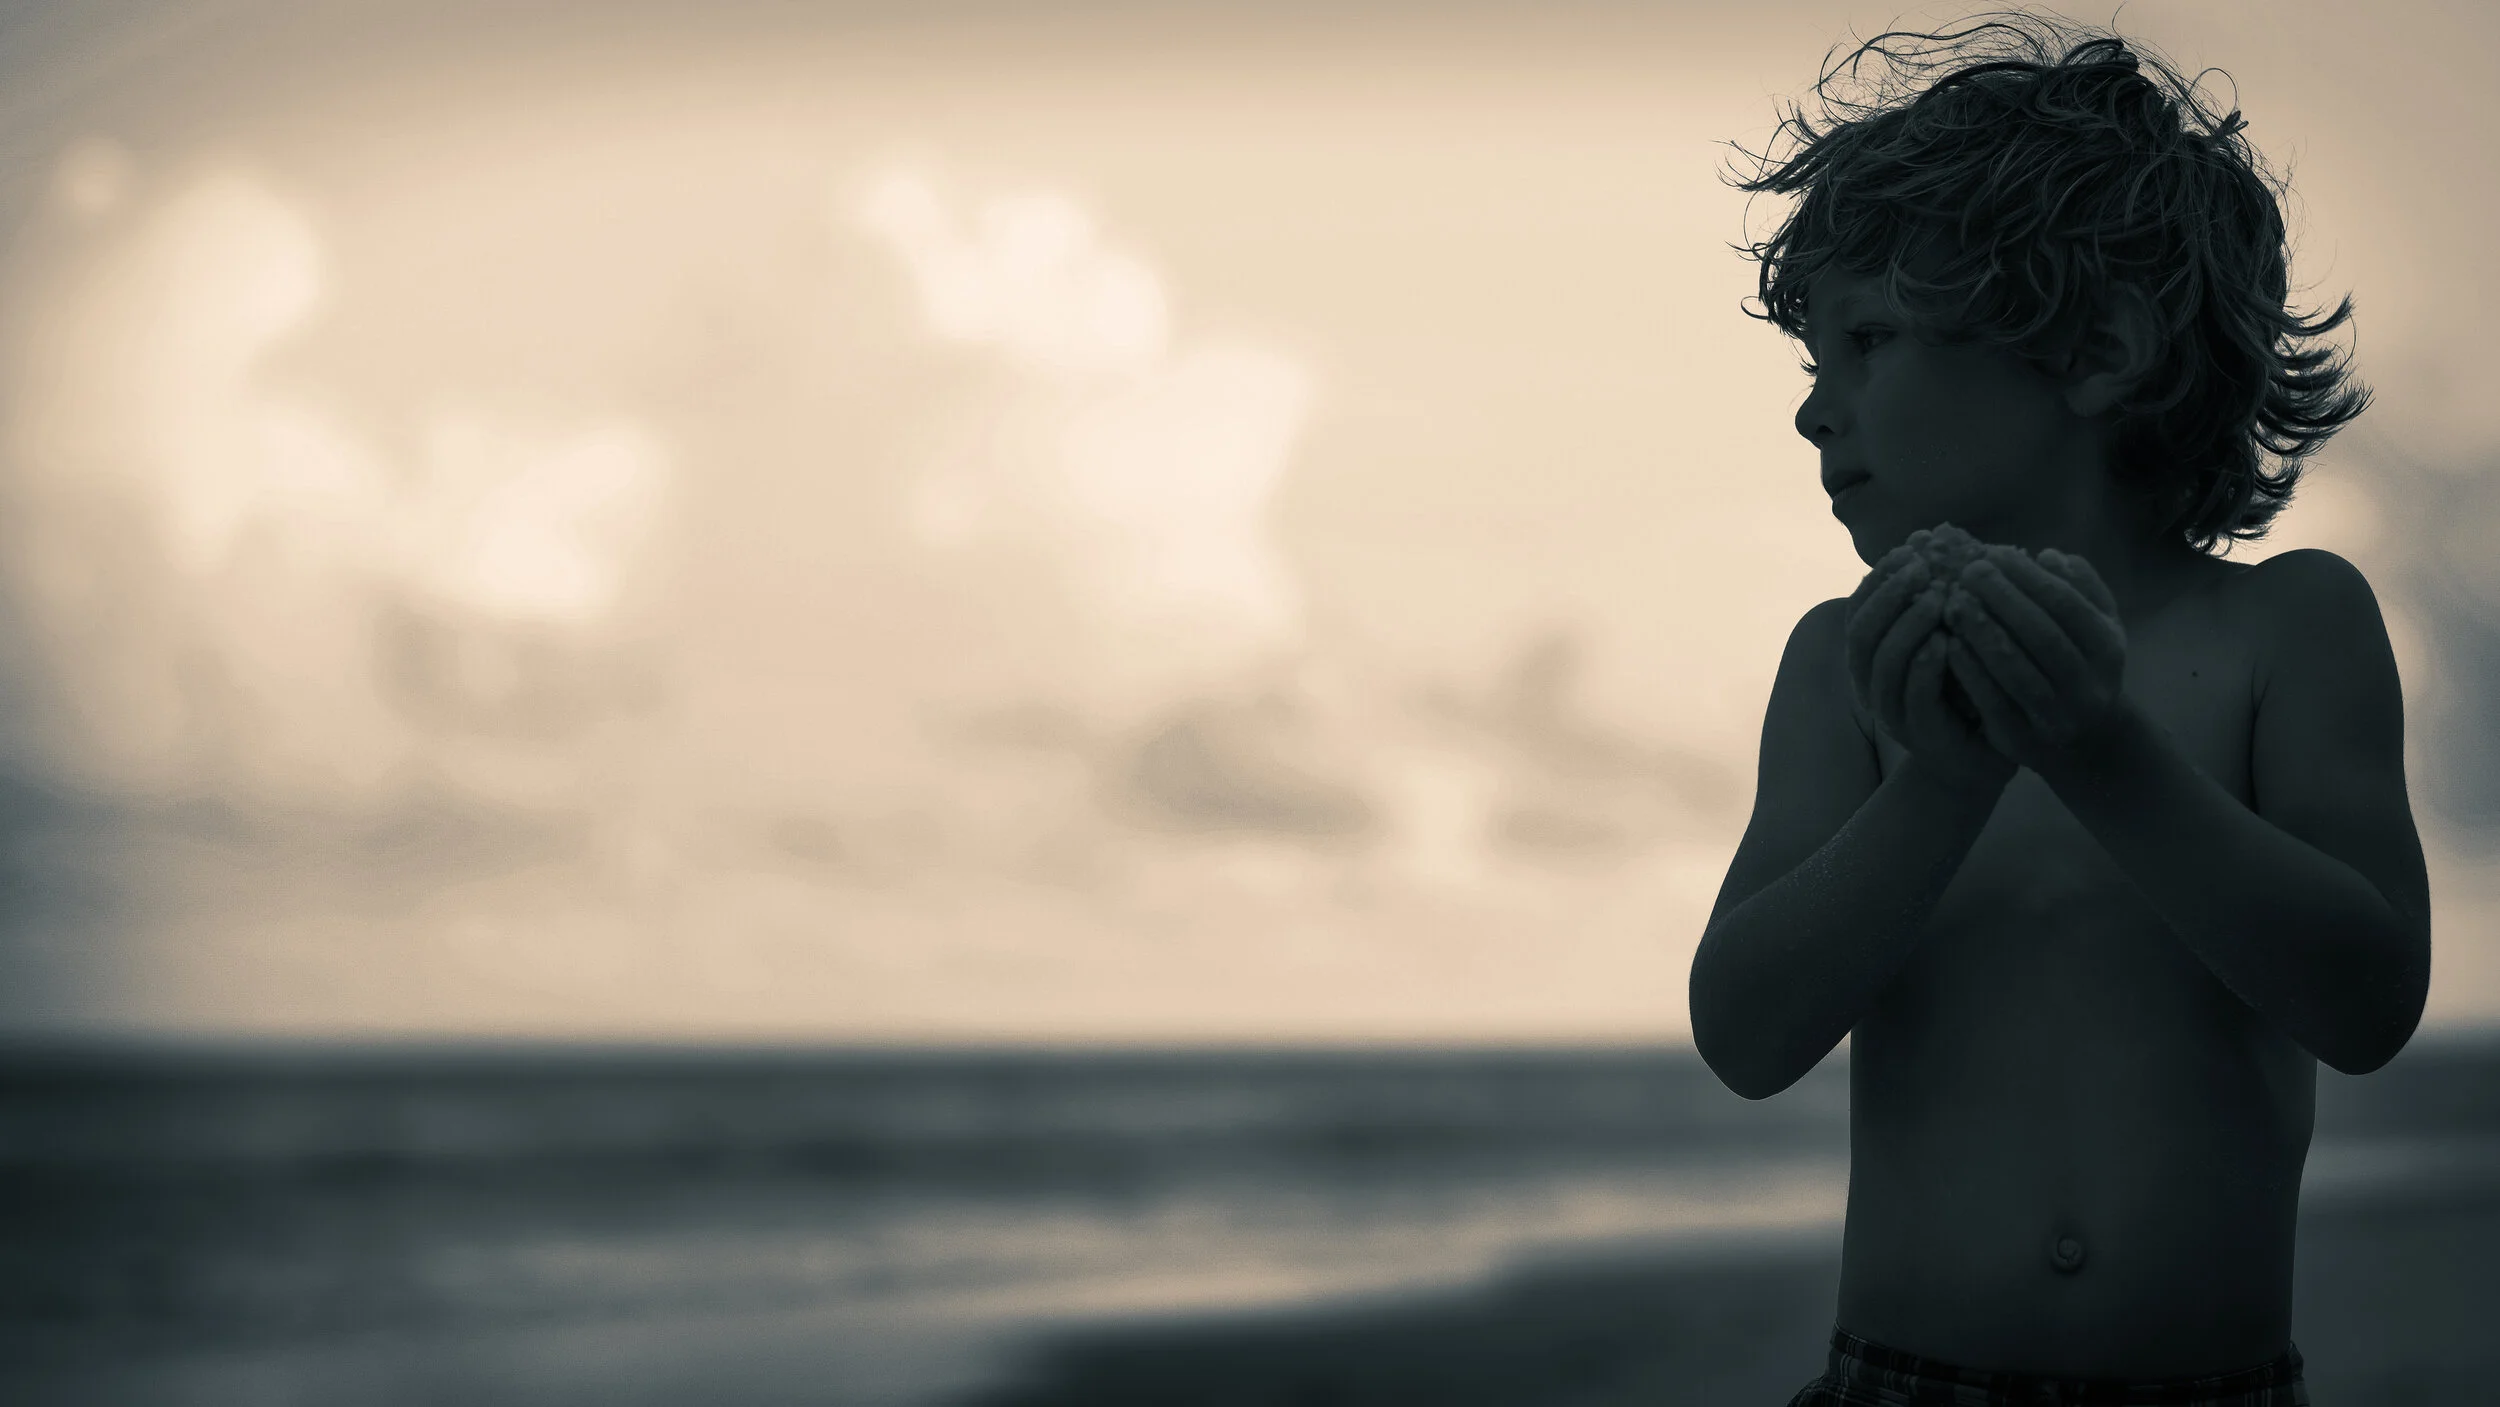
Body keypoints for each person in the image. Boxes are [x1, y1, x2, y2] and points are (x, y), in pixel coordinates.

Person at [1684, 12, 2432, 1405]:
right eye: (1812, 362)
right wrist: (1940, 786)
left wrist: (2103, 756)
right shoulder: (1845, 664)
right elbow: (1744, 1030)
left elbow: (2371, 995)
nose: (1814, 414)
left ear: (2098, 350)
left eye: (1866, 340)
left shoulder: (2288, 627)